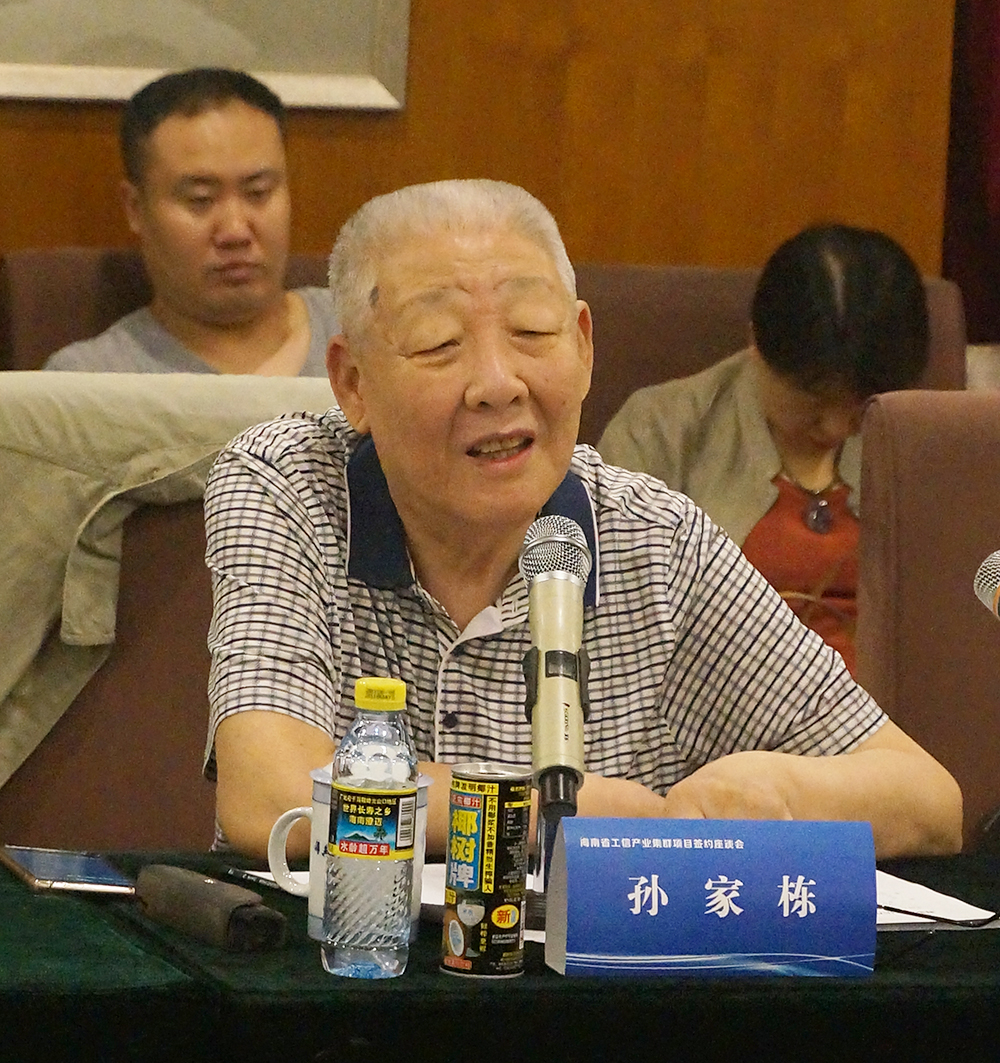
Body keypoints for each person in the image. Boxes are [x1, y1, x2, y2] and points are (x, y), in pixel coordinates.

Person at [202, 181, 961, 864]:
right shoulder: (289, 485)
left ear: (585, 346)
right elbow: (271, 800)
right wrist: (546, 811)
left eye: (533, 332)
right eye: (439, 344)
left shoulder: (654, 538)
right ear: (352, 382)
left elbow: (928, 802)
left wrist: (777, 790)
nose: (498, 383)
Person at [598, 225, 930, 677]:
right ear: (756, 341)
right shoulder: (661, 432)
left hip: (897, 708)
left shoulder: (920, 439)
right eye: (813, 400)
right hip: (718, 705)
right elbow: (612, 618)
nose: (836, 428)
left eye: (861, 405)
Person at [44, 68, 338, 375]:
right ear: (135, 209)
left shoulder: (363, 332)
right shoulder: (89, 380)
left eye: (258, 193)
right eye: (201, 199)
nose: (235, 231)